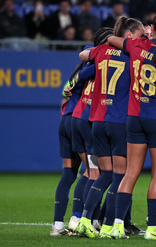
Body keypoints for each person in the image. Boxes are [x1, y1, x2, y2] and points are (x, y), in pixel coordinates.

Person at [107, 11, 156, 240]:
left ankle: (117, 225)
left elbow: (111, 39)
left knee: (130, 173)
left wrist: (132, 41)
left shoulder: (135, 46)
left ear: (152, 27)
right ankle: (152, 229)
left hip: (134, 116)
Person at [76, 19, 145, 238]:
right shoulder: (131, 54)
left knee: (104, 174)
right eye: (140, 35)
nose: (142, 39)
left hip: (97, 121)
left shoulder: (100, 51)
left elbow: (83, 56)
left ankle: (85, 219)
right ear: (128, 34)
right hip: (118, 121)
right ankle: (107, 226)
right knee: (120, 176)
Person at [50, 44, 95, 236]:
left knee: (69, 174)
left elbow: (64, 93)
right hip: (79, 120)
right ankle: (80, 219)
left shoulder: (76, 72)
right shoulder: (95, 70)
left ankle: (57, 225)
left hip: (65, 120)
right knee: (93, 172)